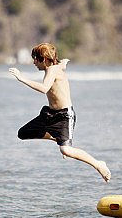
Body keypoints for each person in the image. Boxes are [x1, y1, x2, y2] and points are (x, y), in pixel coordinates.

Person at [9, 43, 111, 182]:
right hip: (49, 114)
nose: (34, 63)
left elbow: (44, 88)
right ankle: (56, 138)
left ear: (45, 59)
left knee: (66, 150)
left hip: (64, 116)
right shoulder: (55, 68)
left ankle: (98, 164)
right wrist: (64, 64)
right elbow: (61, 67)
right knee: (23, 133)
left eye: (36, 59)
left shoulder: (52, 70)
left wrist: (21, 78)